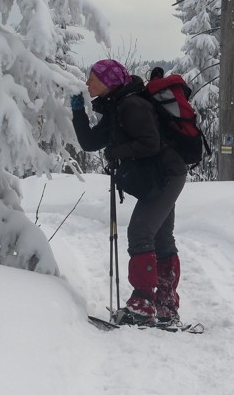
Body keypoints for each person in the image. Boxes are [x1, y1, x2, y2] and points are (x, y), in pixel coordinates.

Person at [70, 60, 187, 326]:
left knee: (140, 232)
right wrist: (78, 111)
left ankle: (143, 305)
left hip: (167, 175)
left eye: (93, 78)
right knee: (160, 237)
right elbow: (89, 143)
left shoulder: (131, 105)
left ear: (109, 81)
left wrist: (116, 152)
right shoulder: (115, 106)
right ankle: (165, 306)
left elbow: (150, 143)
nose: (87, 83)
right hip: (162, 176)